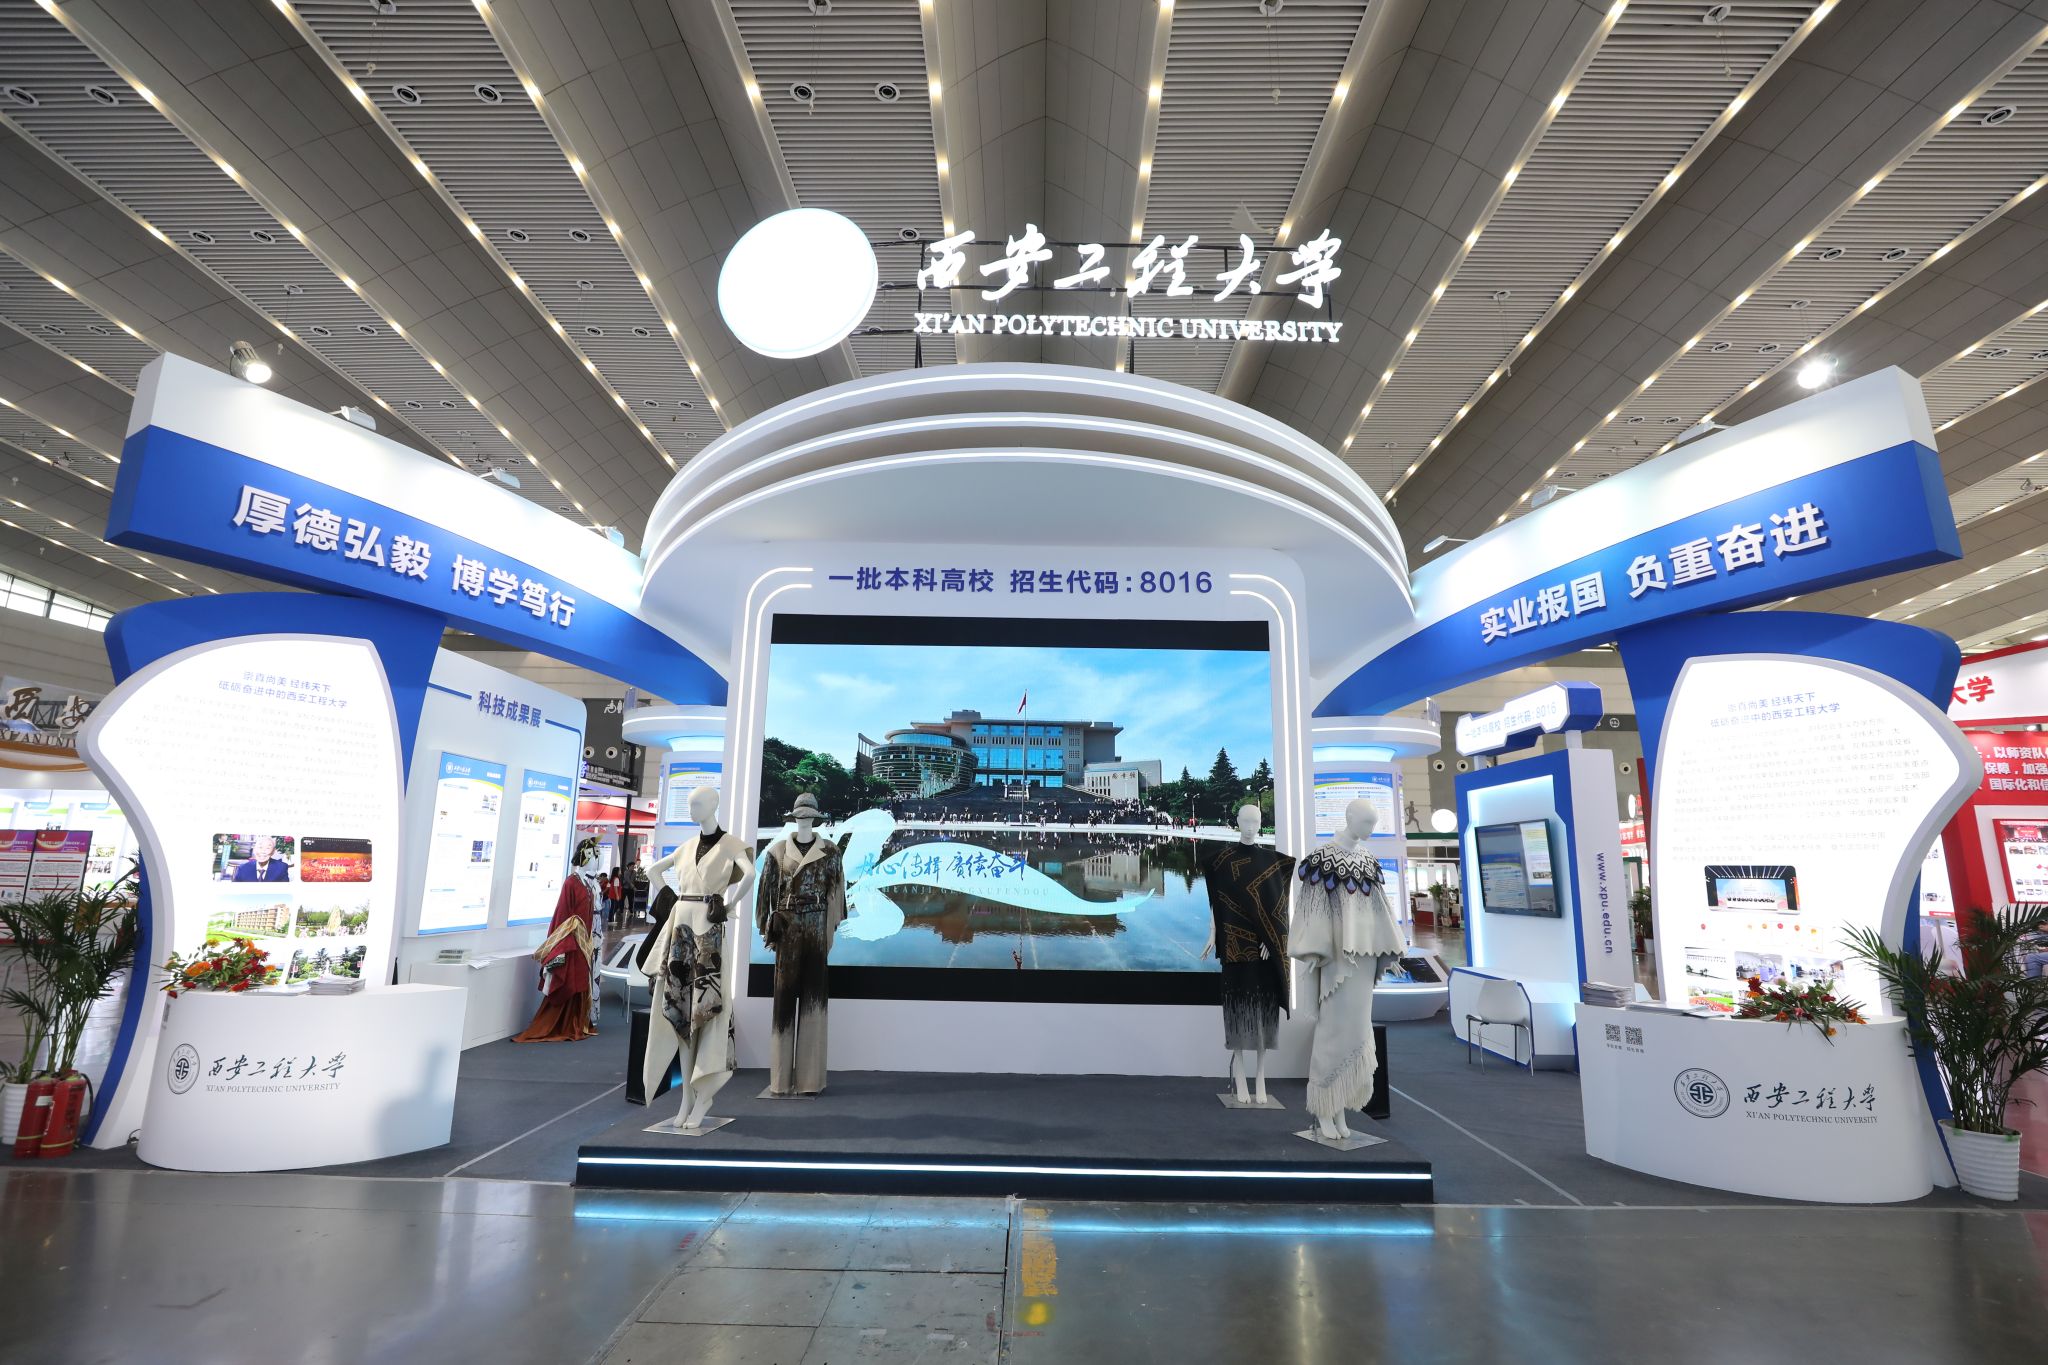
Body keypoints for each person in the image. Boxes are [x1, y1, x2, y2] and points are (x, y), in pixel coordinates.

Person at [515, 837, 601, 1043]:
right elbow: (562, 913)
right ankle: (564, 1023)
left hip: (585, 941)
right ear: (584, 857)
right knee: (571, 980)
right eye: (592, 855)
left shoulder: (588, 884)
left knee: (582, 980)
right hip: (573, 940)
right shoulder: (571, 883)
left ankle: (578, 1021)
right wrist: (564, 941)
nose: (596, 860)